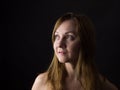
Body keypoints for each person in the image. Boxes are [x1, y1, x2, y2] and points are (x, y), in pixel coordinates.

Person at [31, 12, 118, 90]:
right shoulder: (42, 82)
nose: (59, 44)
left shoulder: (101, 85)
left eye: (69, 37)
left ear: (85, 42)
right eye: (57, 36)